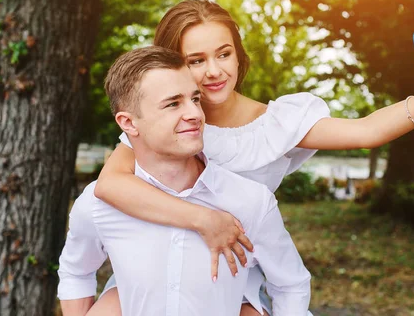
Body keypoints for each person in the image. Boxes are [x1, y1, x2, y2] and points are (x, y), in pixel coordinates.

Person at [92, 0, 414, 315]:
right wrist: (206, 220)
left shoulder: (276, 124)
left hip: (233, 276)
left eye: (223, 54)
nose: (213, 71)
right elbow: (111, 185)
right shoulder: (163, 125)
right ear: (172, 65)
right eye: (195, 60)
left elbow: (367, 131)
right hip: (156, 271)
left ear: (238, 55)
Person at [57, 46, 312, 316]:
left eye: (195, 99)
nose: (195, 114)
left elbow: (290, 285)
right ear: (129, 123)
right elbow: (76, 270)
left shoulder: (250, 202)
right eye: (173, 104)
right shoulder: (98, 206)